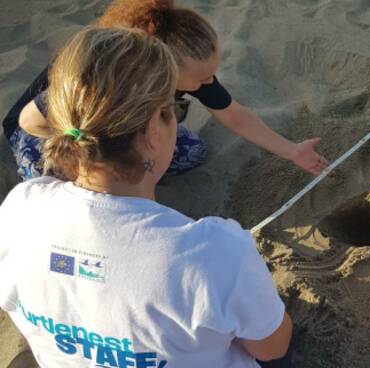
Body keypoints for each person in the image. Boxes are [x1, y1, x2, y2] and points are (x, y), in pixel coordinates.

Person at [0, 26, 292, 367]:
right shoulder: (215, 252)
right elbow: (272, 347)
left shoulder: (19, 210)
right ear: (154, 128)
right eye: (174, 111)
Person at [2, 0, 329, 180]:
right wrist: (96, 148)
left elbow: (234, 115)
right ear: (162, 68)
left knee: (190, 153)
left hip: (122, 121)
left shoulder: (190, 70)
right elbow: (31, 121)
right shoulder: (105, 78)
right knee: (59, 179)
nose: (208, 84)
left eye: (211, 74)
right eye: (201, 79)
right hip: (56, 129)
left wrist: (291, 150)